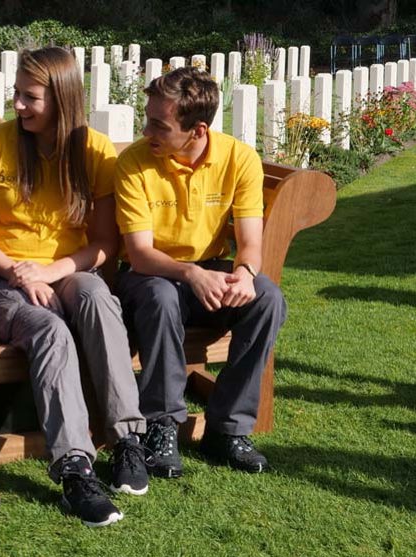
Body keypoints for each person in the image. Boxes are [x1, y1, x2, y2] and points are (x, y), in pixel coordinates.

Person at [0, 47, 147, 528]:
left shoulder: (95, 152)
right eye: (17, 94)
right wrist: (21, 271)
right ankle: (74, 468)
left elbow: (106, 244)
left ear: (63, 99)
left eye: (31, 97)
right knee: (49, 329)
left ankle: (127, 439)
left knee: (96, 296)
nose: (18, 105)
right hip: (0, 281)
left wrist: (53, 269)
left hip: (65, 272)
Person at [114, 66, 287, 478]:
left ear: (198, 129)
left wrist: (244, 274)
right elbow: (139, 254)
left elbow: (250, 244)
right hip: (149, 276)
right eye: (147, 118)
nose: (147, 130)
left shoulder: (238, 158)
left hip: (211, 272)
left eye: (159, 124)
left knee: (267, 298)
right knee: (160, 295)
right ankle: (161, 424)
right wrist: (191, 274)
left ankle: (226, 429)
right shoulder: (134, 162)